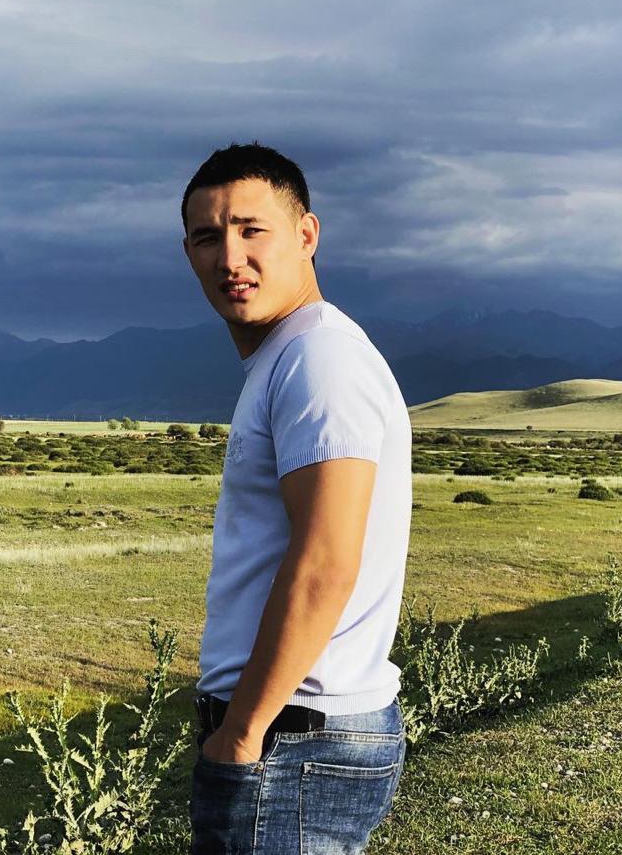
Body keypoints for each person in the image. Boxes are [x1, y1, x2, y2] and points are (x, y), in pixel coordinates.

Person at [180, 141, 412, 854]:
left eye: (252, 230)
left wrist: (242, 731)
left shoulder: (319, 357)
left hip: (293, 737)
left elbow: (325, 562)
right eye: (207, 237)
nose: (230, 257)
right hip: (294, 732)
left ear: (307, 234)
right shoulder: (291, 354)